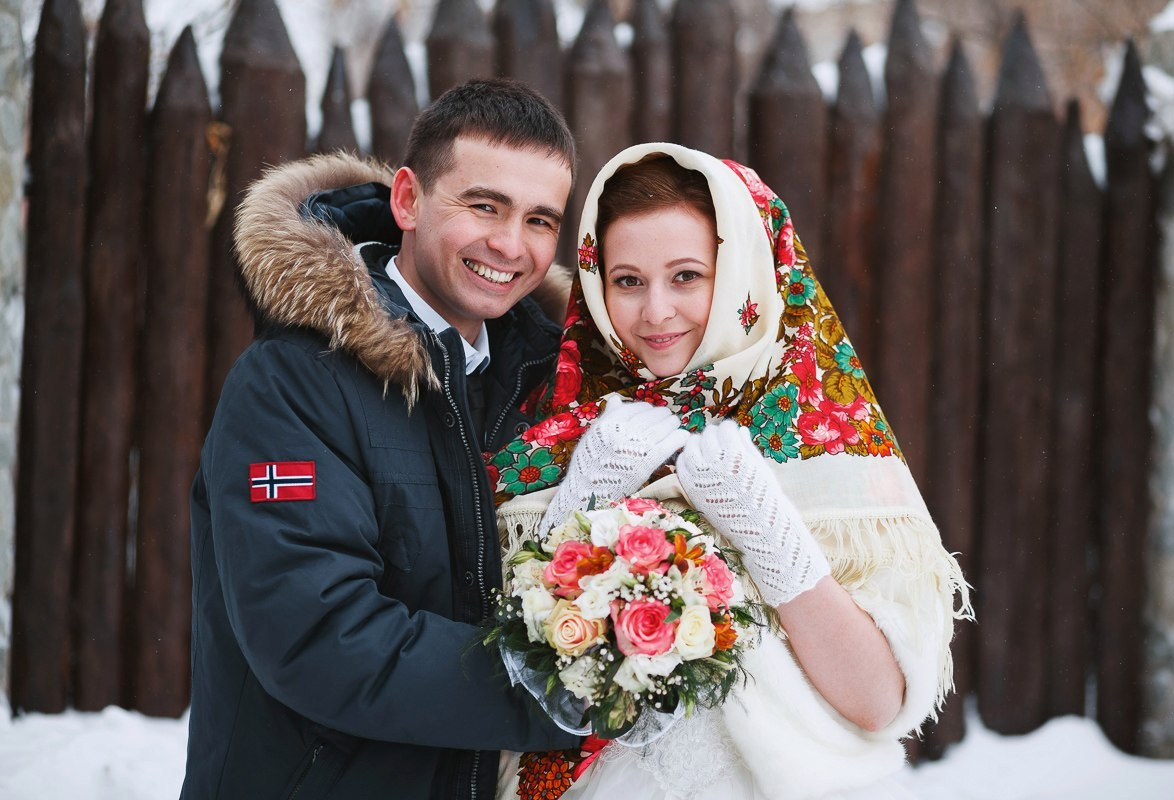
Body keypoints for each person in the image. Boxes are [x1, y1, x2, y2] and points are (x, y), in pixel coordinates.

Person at [488, 143, 972, 799]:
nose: (656, 311)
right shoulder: (556, 430)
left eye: (686, 276)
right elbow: (499, 673)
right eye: (627, 281)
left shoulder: (827, 436)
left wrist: (768, 531)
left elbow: (878, 703)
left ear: (745, 270)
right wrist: (581, 505)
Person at [182, 79, 585, 800]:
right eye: (484, 206)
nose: (509, 244)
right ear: (407, 200)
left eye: (539, 220)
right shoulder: (290, 382)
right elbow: (318, 636)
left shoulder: (547, 387)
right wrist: (572, 685)